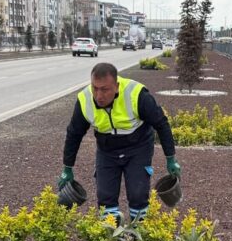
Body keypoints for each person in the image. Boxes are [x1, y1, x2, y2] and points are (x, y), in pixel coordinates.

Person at [60, 62, 181, 222]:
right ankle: (112, 236)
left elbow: (161, 123)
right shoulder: (85, 100)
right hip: (107, 150)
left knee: (138, 193)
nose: (99, 95)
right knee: (105, 196)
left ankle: (139, 234)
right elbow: (74, 133)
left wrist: (171, 158)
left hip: (138, 147)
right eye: (95, 88)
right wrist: (67, 168)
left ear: (116, 86)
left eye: (104, 89)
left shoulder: (136, 95)